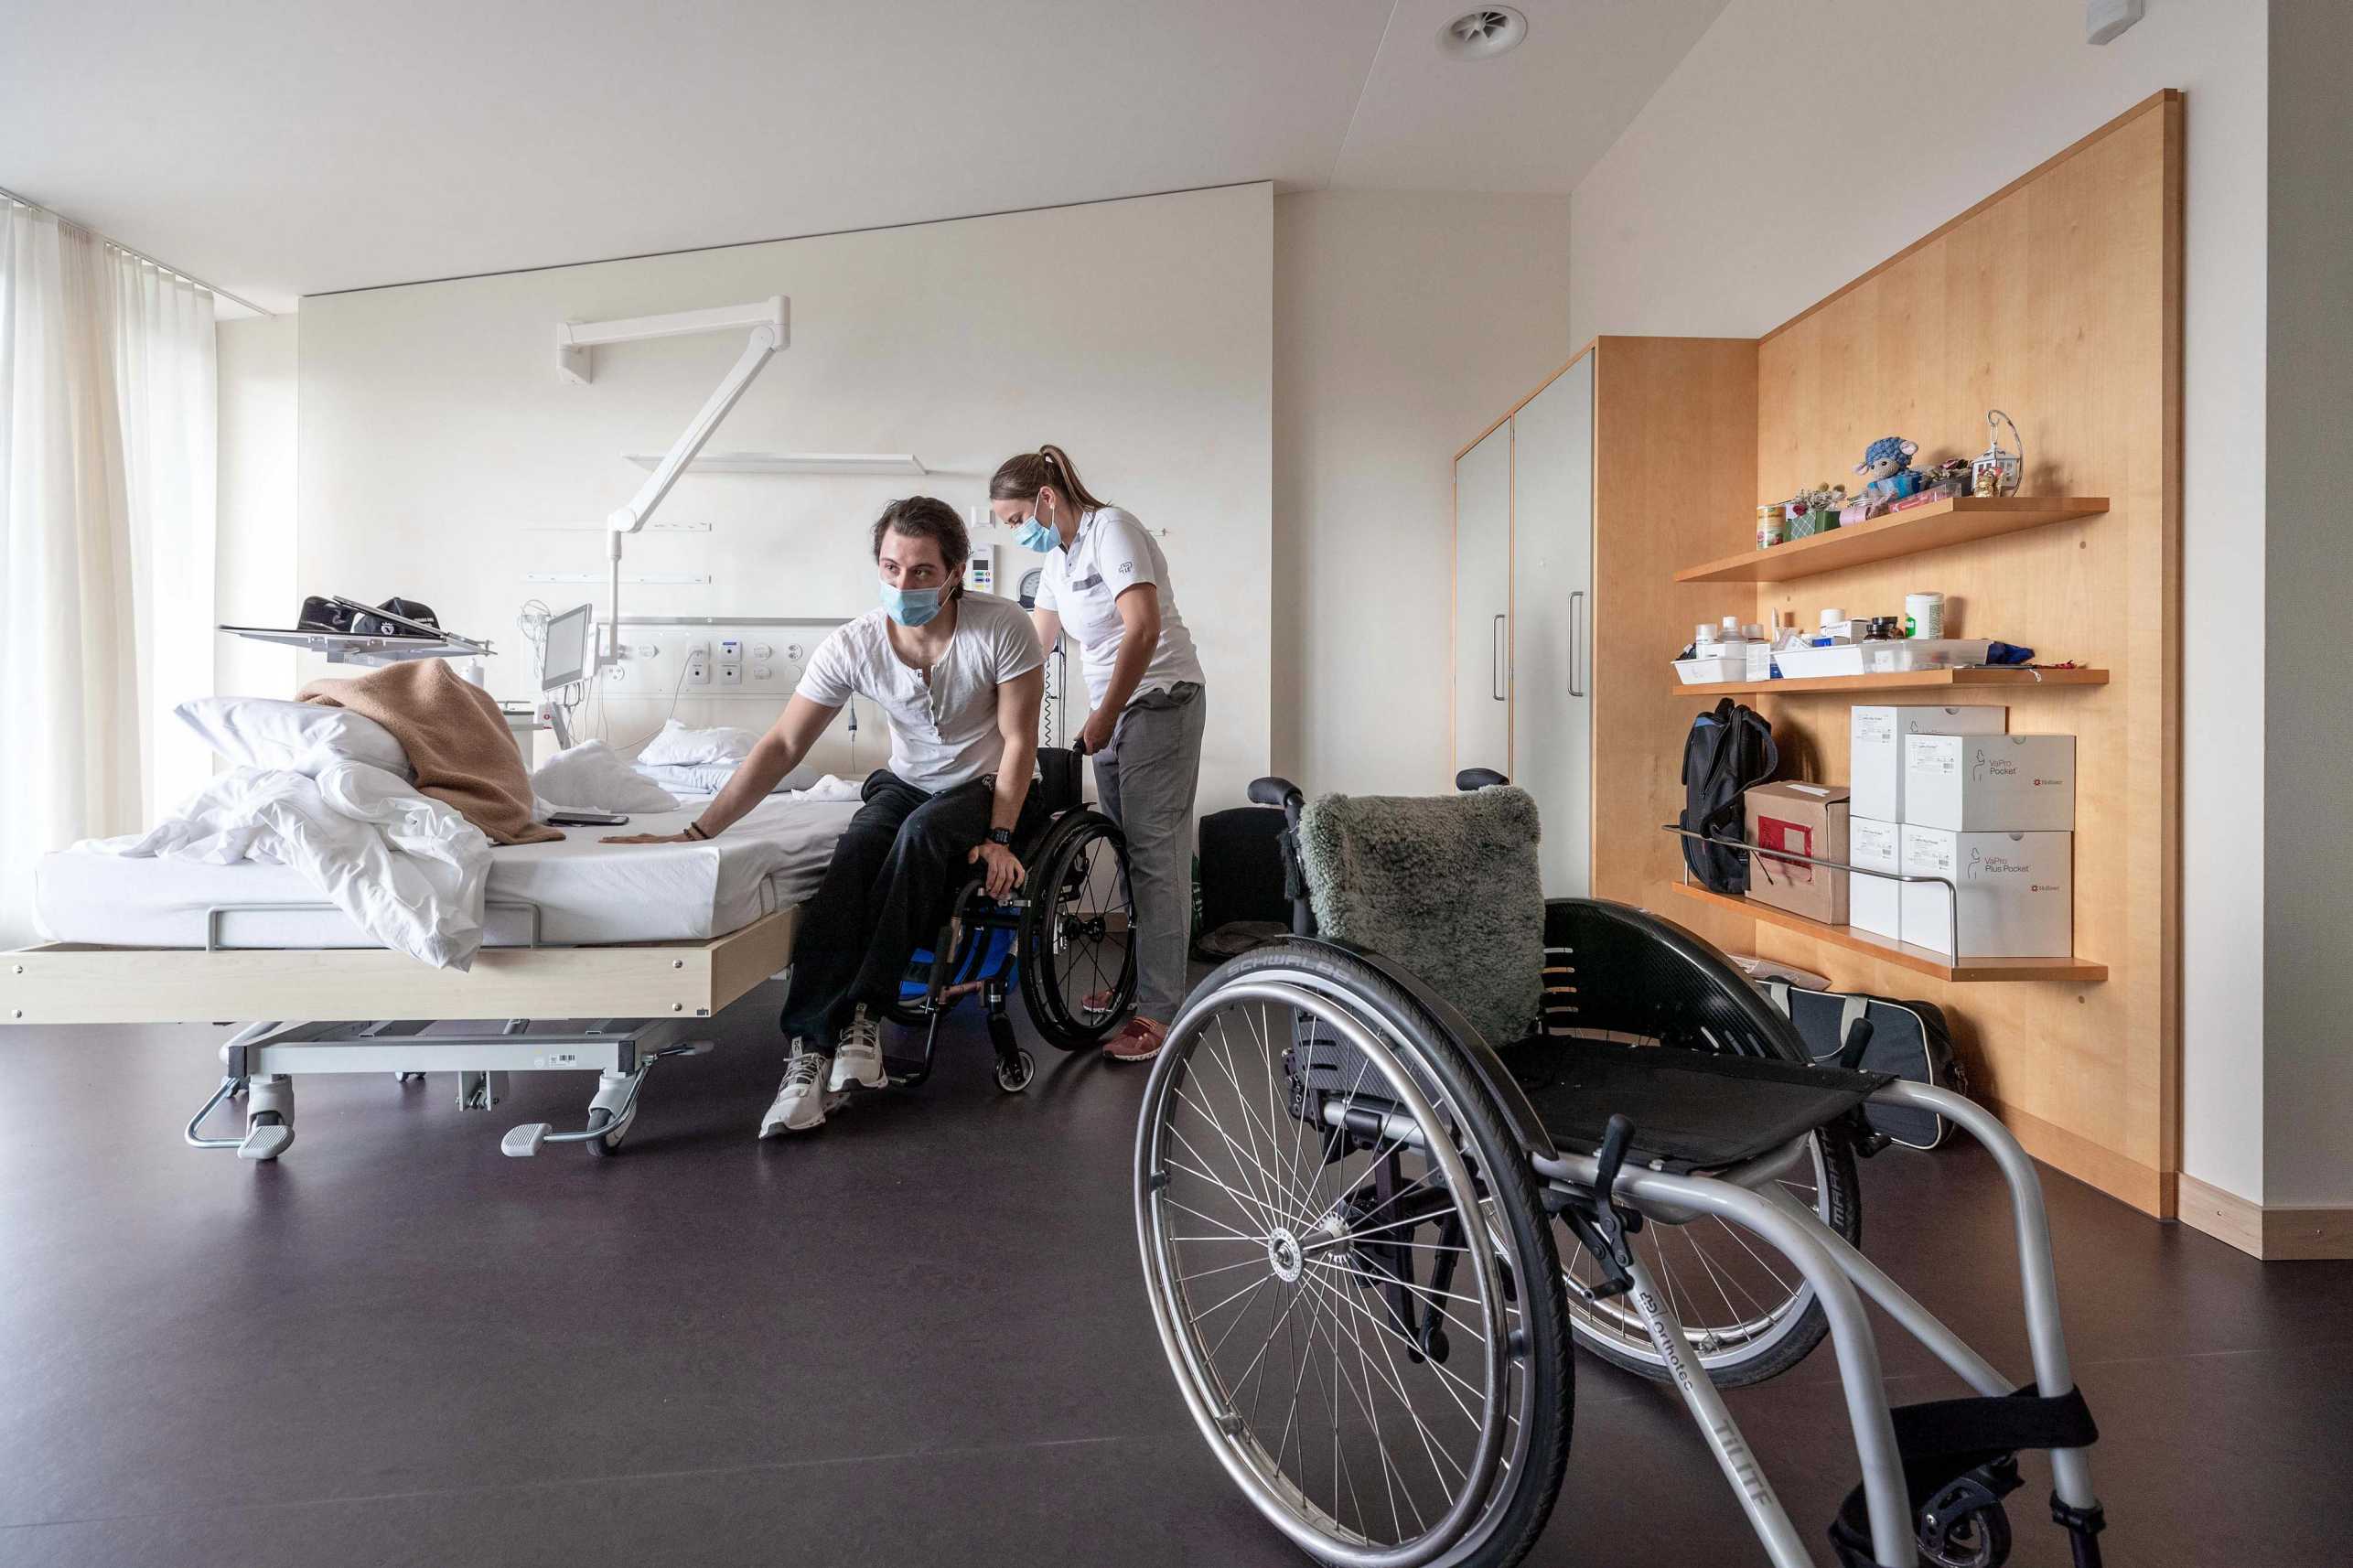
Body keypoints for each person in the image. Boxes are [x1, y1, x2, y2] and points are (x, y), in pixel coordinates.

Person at [606, 497, 1045, 1137]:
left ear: (955, 574)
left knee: (921, 837)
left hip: (988, 786)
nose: (904, 584)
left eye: (922, 571)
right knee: (855, 852)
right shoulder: (856, 644)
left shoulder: (1003, 628)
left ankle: (866, 1012)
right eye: (892, 567)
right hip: (909, 782)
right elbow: (782, 746)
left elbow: (1017, 743)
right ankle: (810, 1048)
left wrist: (1002, 836)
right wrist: (700, 829)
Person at [990, 446, 1204, 1063]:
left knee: (1154, 852)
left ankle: (1162, 1011)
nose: (1015, 532)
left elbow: (1143, 627)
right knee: (1130, 848)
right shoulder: (1060, 557)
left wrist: (1106, 712)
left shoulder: (1114, 529)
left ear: (1045, 499)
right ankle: (1146, 989)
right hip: (1117, 708)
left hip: (1161, 697)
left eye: (1013, 520)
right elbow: (1034, 647)